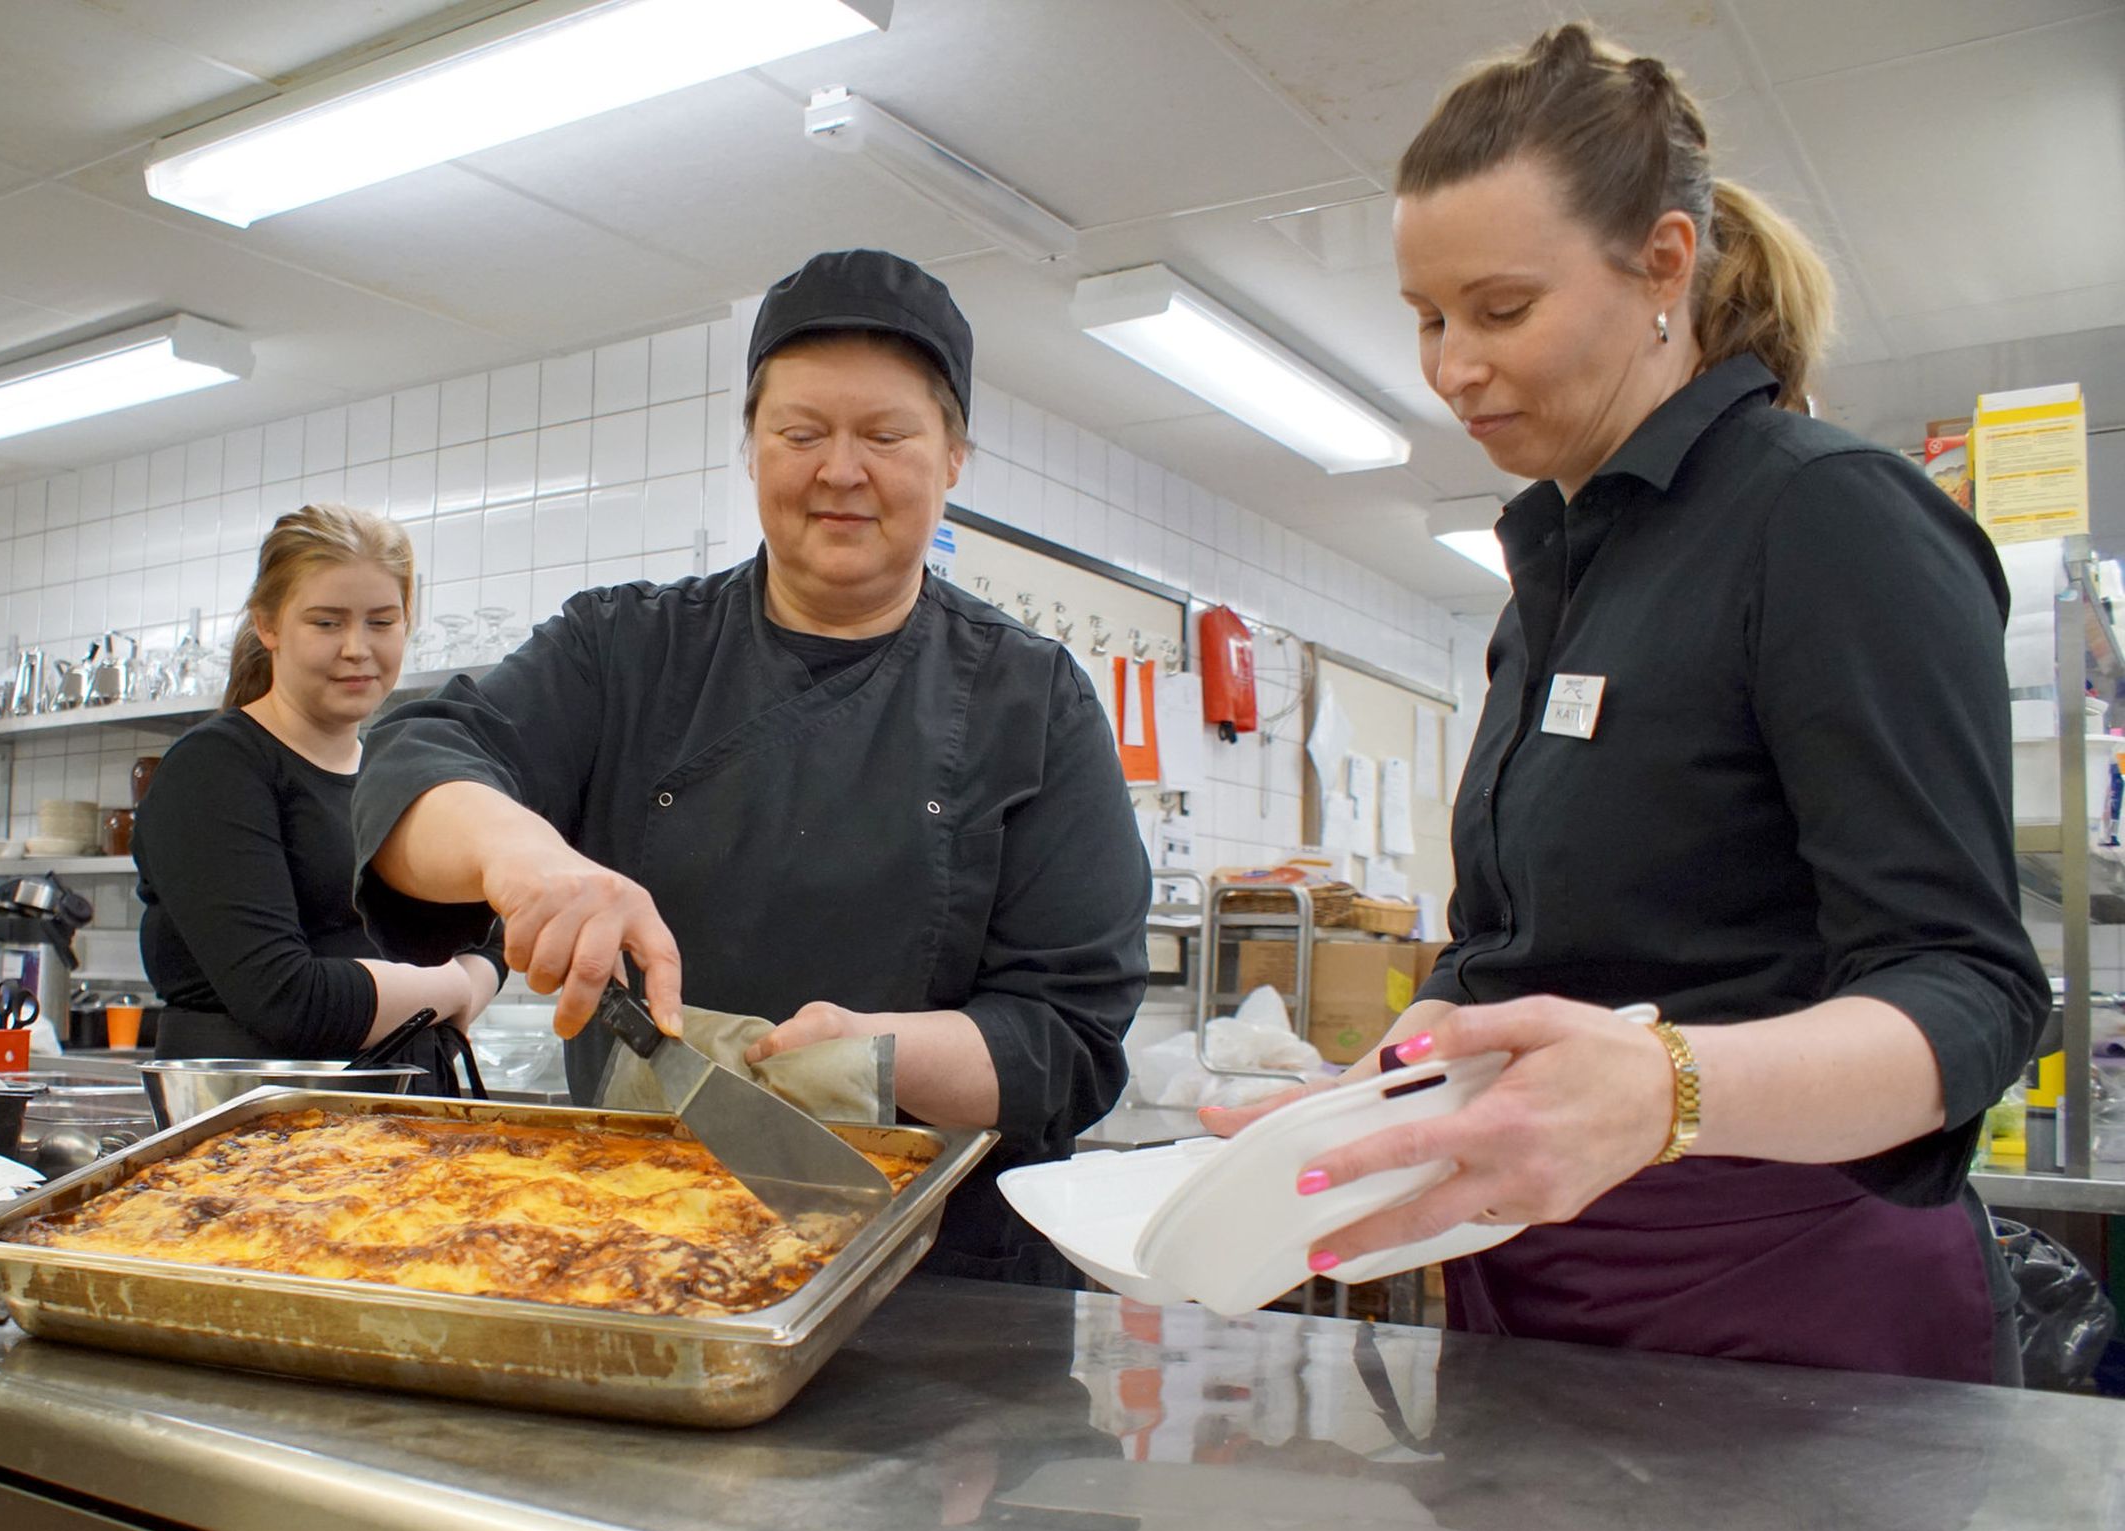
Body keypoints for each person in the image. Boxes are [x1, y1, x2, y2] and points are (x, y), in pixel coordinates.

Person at [1207, 24, 2048, 1382]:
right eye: (1427, 318)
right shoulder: (1555, 574)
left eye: (1499, 310)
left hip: (1795, 1302)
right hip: (1542, 1284)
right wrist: (1383, 1089)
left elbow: (1970, 988)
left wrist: (1674, 1090)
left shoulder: (1824, 518)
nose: (1450, 369)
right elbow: (1517, 951)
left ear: (1663, 262)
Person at [355, 250, 1151, 1283]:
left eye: (885, 434)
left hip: (945, 1282)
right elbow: (413, 762)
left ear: (952, 455)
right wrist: (522, 855)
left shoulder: (1032, 700)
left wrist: (861, 1057)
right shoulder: (625, 649)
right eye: (801, 432)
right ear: (750, 447)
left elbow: (1070, 1043)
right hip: (632, 1249)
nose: (839, 471)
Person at [136, 504, 499, 1061]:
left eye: (382, 622)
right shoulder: (214, 769)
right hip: (260, 1125)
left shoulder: (396, 775)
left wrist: (451, 986)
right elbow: (288, 1000)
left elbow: (487, 933)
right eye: (327, 622)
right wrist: (452, 988)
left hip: (398, 1116)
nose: (357, 648)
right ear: (268, 624)